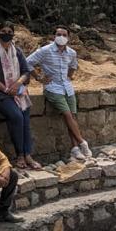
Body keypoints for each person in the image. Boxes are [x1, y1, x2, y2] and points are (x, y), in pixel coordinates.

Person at [26, 25, 91, 161]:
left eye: (64, 35)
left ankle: (75, 149)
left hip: (67, 87)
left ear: (69, 37)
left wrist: (69, 76)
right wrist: (39, 78)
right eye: (58, 34)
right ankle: (82, 142)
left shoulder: (71, 53)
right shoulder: (45, 50)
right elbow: (27, 62)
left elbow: (73, 65)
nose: (61, 37)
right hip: (52, 88)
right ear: (54, 36)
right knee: (67, 114)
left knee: (72, 117)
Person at [0, 21, 40, 170]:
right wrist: (7, 89)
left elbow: (25, 71)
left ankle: (28, 154)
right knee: (16, 116)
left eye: (9, 32)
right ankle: (20, 154)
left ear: (13, 34)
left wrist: (18, 84)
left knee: (25, 119)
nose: (6, 34)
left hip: (18, 92)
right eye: (4, 31)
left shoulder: (17, 51)